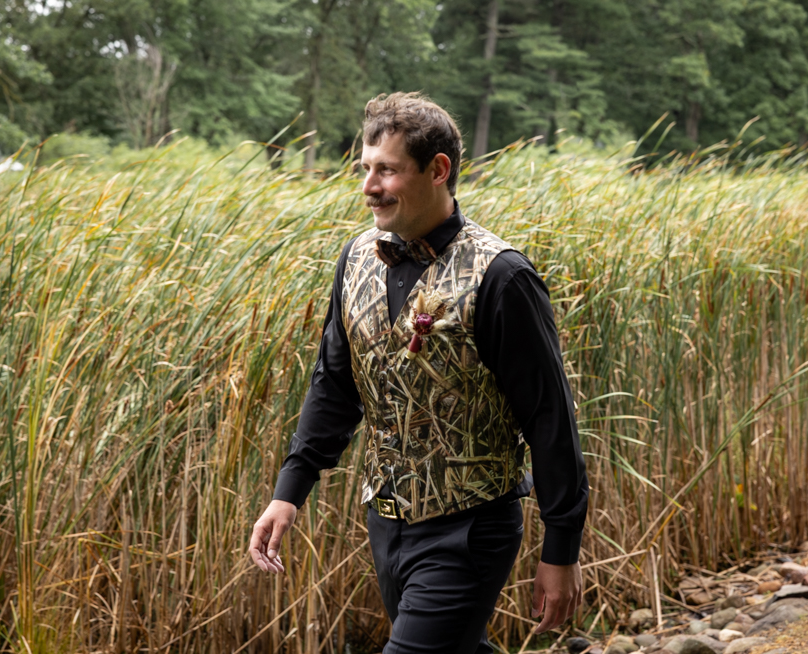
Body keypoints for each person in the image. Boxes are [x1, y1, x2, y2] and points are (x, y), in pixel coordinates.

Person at [249, 92, 589, 653]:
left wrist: (561, 548)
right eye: (365, 168)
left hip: (470, 529)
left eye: (387, 170)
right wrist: (290, 490)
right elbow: (334, 385)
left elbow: (550, 418)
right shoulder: (355, 258)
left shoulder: (502, 276)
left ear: (438, 170)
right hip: (385, 524)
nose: (369, 186)